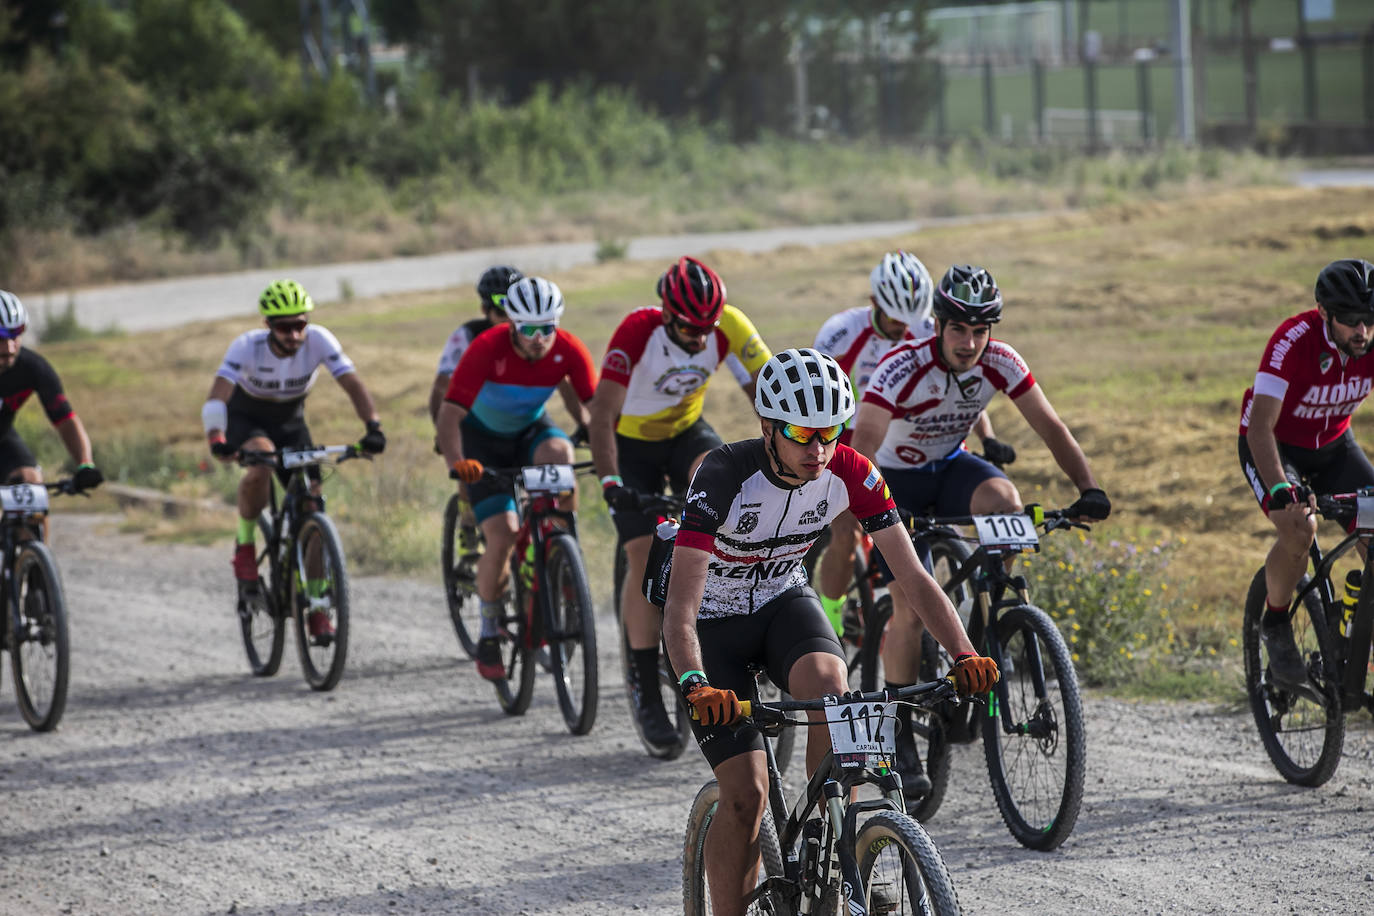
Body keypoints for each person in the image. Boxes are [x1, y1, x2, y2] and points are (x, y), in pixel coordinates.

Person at [659, 348, 999, 916]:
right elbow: (681, 608)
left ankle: (833, 855)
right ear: (768, 426)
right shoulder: (721, 475)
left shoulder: (852, 471)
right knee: (747, 796)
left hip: (781, 600)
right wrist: (695, 683)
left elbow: (912, 576)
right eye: (801, 433)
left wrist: (963, 652)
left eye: (830, 433)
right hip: (712, 623)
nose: (818, 450)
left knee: (832, 690)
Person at [848, 264, 1110, 800]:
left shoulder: (1001, 361)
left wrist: (1088, 487)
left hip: (948, 469)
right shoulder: (902, 367)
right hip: (893, 480)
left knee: (1004, 501)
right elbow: (865, 441)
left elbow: (1051, 426)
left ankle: (990, 620)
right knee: (906, 605)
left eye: (980, 331)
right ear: (939, 325)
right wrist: (862, 510)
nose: (969, 343)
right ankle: (897, 731)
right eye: (958, 330)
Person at [589, 255, 771, 754]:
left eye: (708, 328)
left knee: (724, 494)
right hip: (632, 447)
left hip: (686, 432)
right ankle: (645, 683)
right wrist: (610, 480)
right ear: (668, 314)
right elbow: (601, 413)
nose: (701, 338)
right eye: (691, 329)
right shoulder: (637, 331)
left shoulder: (727, 324)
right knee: (641, 553)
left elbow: (768, 389)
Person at [811, 251, 1013, 638]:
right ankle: (832, 616)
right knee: (846, 532)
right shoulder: (842, 332)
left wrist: (986, 436)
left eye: (908, 321)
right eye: (892, 320)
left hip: (912, 431)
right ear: (874, 304)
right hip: (851, 434)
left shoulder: (930, 328)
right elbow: (817, 398)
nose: (900, 328)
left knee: (950, 518)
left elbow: (962, 386)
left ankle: (961, 609)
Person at [202, 280, 386, 638]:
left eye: (299, 324)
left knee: (312, 507)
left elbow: (352, 383)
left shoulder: (319, 339)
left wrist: (373, 427)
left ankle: (317, 606)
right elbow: (217, 397)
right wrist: (217, 439)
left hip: (291, 424)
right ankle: (244, 546)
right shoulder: (246, 347)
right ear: (267, 325)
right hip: (247, 419)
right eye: (284, 327)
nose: (294, 334)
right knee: (262, 463)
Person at [438, 276, 597, 680]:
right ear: (511, 324)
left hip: (528, 432)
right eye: (529, 329)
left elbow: (591, 410)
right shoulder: (486, 348)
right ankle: (490, 628)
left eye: (548, 328)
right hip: (483, 444)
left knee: (561, 453)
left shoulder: (568, 349)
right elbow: (450, 415)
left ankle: (560, 551)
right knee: (504, 534)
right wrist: (458, 463)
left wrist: (602, 445)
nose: (539, 338)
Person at [1239, 258, 1374, 685]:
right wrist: (1281, 488)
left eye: (1370, 321)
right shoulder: (1291, 341)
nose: (1363, 332)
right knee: (1300, 528)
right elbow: (1260, 427)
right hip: (1276, 446)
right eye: (1351, 321)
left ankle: (1353, 642)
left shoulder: (1370, 342)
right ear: (1324, 314)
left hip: (1335, 448)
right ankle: (1276, 623)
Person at [0, 290, 104, 501]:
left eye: (16, 334)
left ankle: (32, 535)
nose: (10, 347)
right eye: (1, 337)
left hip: (2, 439)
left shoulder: (32, 368)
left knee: (31, 488)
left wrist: (85, 464)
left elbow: (65, 419)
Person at [429, 265, 524, 424]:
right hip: (479, 418)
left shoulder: (534, 334)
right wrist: (441, 431)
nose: (509, 320)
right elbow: (441, 386)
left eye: (515, 313)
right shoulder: (466, 336)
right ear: (484, 309)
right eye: (501, 313)